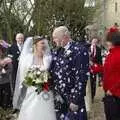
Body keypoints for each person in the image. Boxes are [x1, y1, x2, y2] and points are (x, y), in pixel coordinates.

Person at [50, 26, 89, 120]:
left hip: (73, 100)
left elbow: (81, 76)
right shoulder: (57, 52)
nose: (53, 40)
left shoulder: (79, 50)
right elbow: (53, 72)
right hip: (60, 99)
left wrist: (75, 100)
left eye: (55, 37)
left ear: (64, 37)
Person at [16, 36, 56, 120]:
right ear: (35, 45)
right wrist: (36, 82)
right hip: (32, 91)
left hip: (47, 92)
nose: (44, 45)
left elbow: (53, 74)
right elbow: (24, 77)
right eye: (42, 43)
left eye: (45, 43)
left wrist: (47, 82)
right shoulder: (27, 59)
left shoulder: (48, 58)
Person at [91, 31, 120, 120]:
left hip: (116, 95)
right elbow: (106, 68)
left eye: (107, 41)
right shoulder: (111, 53)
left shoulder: (117, 54)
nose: (106, 43)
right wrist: (93, 67)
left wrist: (112, 90)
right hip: (110, 94)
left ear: (112, 42)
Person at [0, 41, 12, 109]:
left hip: (5, 82)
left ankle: (6, 109)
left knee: (6, 97)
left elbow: (10, 70)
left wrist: (5, 72)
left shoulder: (7, 59)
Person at [90, 38, 102, 102]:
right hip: (88, 69)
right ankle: (89, 96)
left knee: (94, 82)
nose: (94, 43)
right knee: (89, 82)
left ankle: (92, 96)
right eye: (93, 41)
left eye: (96, 42)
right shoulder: (87, 48)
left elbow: (100, 60)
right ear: (91, 42)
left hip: (95, 68)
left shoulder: (99, 49)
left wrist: (100, 69)